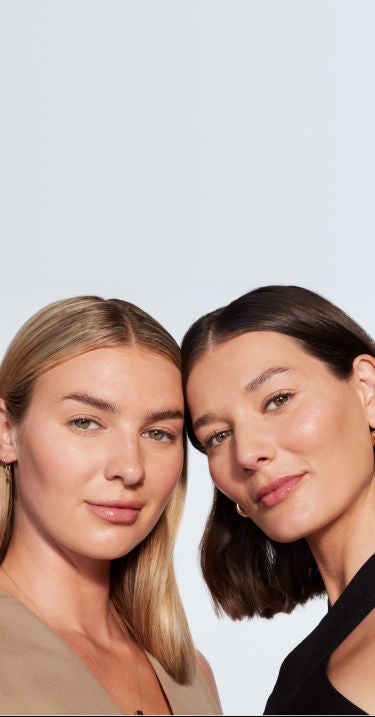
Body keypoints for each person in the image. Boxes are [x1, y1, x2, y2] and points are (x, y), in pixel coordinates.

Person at [0, 295, 222, 716]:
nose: (129, 468)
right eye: (85, 422)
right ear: (8, 432)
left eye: (158, 433)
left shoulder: (192, 676)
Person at [181, 284, 375, 716]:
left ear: (367, 389)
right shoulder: (318, 651)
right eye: (218, 436)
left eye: (278, 400)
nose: (248, 453)